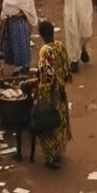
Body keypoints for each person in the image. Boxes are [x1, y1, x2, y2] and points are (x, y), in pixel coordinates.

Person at [32, 20, 72, 169]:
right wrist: (62, 84)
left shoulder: (45, 51)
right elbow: (67, 67)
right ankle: (59, 152)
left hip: (48, 93)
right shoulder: (60, 46)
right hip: (60, 91)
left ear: (41, 35)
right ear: (53, 32)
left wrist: (41, 92)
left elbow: (47, 73)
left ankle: (52, 157)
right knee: (59, 121)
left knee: (47, 123)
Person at [0, 0, 38, 71]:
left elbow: (28, 10)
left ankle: (24, 66)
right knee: (11, 44)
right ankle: (17, 65)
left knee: (21, 44)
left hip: (19, 23)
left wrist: (17, 15)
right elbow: (6, 6)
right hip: (9, 22)